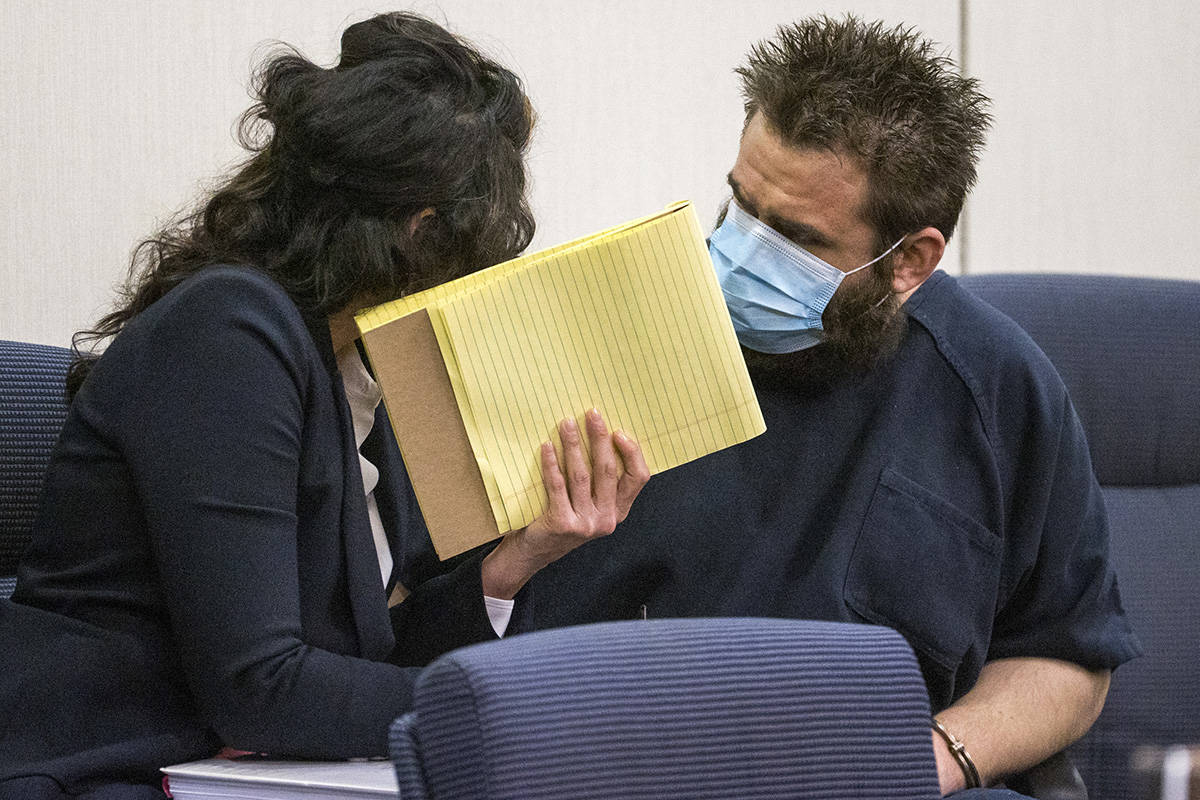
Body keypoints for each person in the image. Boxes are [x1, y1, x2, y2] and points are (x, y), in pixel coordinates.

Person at [0, 13, 648, 800]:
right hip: (101, 768)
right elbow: (261, 690)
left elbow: (360, 666)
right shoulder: (229, 332)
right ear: (422, 232)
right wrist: (519, 711)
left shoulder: (351, 360)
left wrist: (520, 557)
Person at [529, 15, 1140, 797]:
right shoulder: (615, 340)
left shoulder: (996, 388)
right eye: (740, 206)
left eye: (793, 238)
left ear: (909, 260)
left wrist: (933, 759)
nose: (741, 253)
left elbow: (1069, 655)